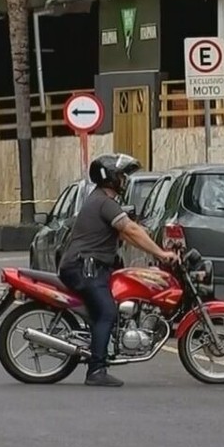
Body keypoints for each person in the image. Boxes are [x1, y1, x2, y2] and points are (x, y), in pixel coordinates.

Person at [58, 153, 179, 387]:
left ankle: (100, 354)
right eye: (122, 176)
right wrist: (161, 254)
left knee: (105, 311)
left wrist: (155, 248)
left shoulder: (101, 200)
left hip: (87, 266)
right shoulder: (105, 202)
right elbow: (130, 229)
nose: (124, 180)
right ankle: (96, 371)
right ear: (111, 177)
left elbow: (127, 233)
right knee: (106, 313)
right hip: (85, 267)